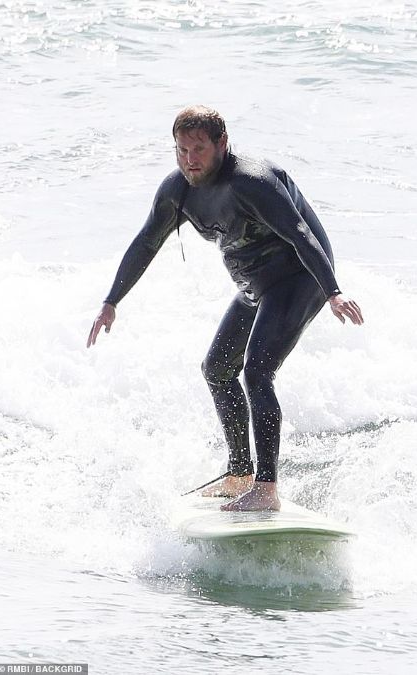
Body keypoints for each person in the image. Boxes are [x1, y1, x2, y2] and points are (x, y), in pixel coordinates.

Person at [87, 105, 363, 512]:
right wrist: (111, 301)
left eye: (198, 148)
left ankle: (267, 489)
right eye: (181, 150)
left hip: (299, 279)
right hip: (254, 286)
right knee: (216, 369)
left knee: (257, 370)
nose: (189, 159)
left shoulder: (253, 182)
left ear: (222, 143)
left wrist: (333, 291)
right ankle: (239, 475)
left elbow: (301, 234)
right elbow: (146, 242)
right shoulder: (176, 190)